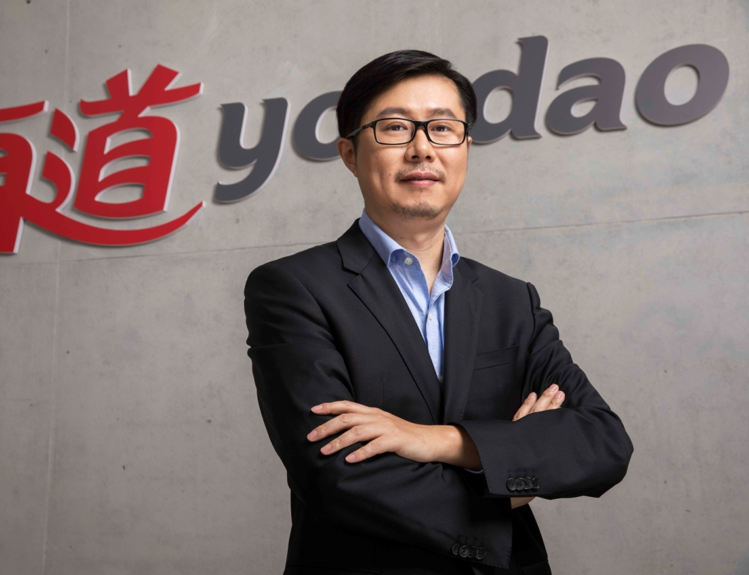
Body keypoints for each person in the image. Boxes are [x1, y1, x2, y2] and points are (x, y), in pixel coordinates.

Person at [243, 50, 633, 575]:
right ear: (350, 153)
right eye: (395, 128)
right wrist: (511, 478)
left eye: (443, 128)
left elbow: (602, 443)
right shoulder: (293, 288)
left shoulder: (511, 300)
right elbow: (336, 476)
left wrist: (441, 441)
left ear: (465, 148)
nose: (422, 148)